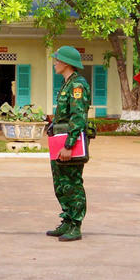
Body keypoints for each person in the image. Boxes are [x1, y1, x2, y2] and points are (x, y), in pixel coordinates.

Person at [47, 46, 92, 242]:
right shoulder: (67, 84)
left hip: (69, 143)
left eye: (57, 60)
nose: (55, 64)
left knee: (73, 184)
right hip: (60, 140)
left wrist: (69, 145)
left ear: (66, 63)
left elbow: (78, 117)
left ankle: (76, 224)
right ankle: (67, 219)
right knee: (61, 184)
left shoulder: (77, 86)